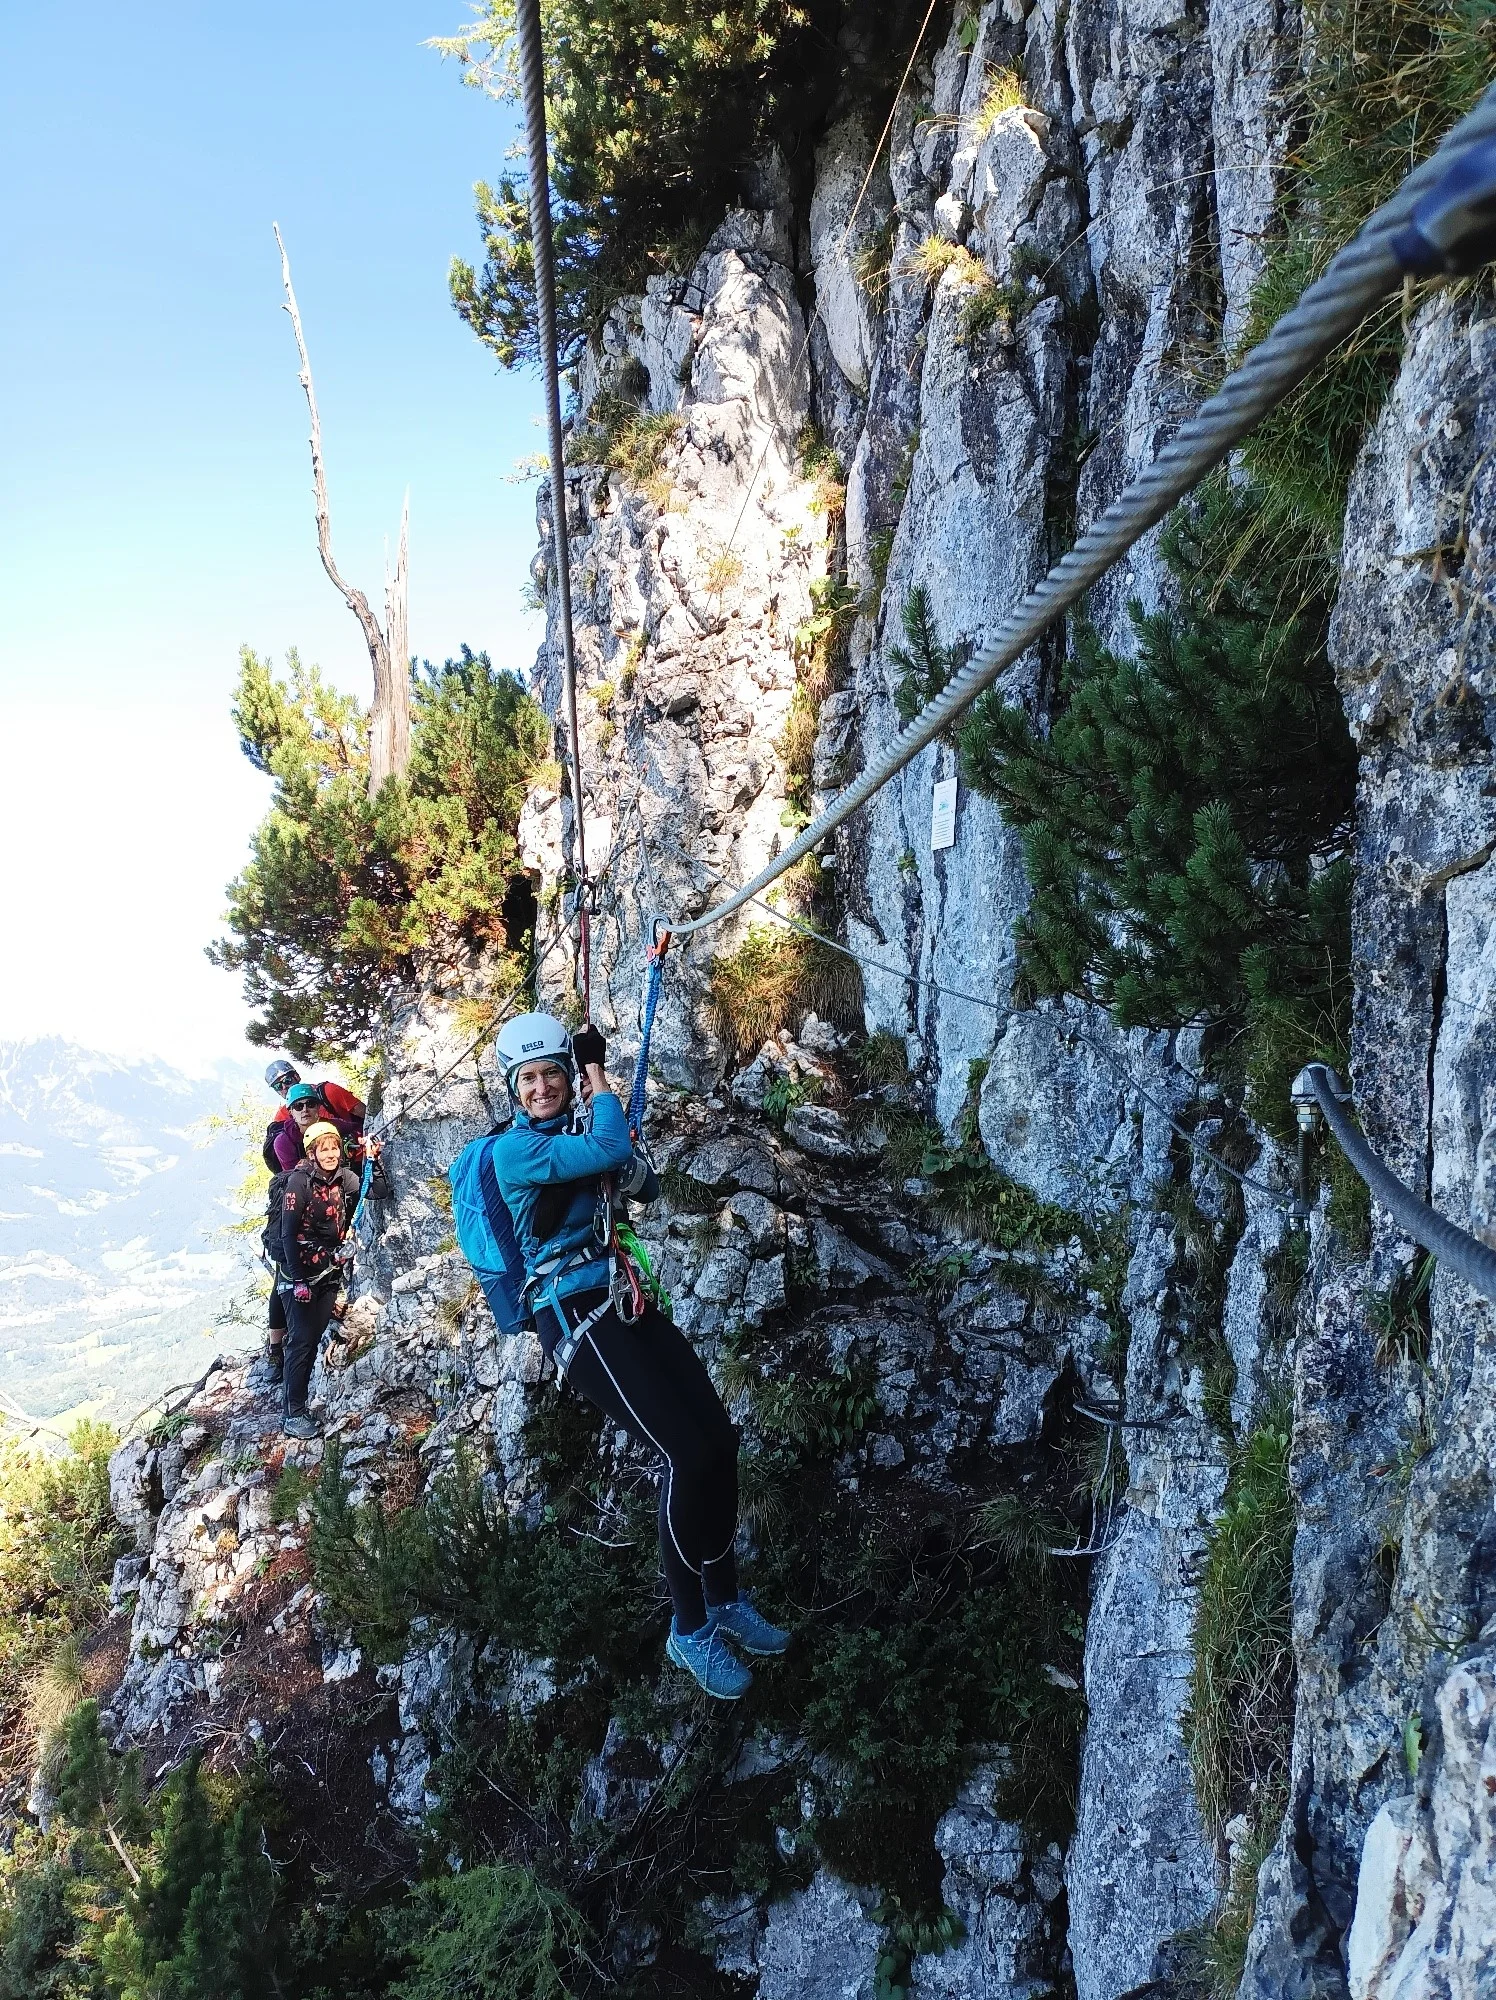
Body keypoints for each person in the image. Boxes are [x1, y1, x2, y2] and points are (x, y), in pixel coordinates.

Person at [488, 1011, 789, 1700]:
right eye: (528, 1079)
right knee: (683, 1454)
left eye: (552, 1075)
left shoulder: (580, 1133)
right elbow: (609, 1152)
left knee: (719, 1440)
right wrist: (599, 1078)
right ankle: (690, 1630)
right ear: (514, 1089)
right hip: (572, 1315)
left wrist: (618, 1146)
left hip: (622, 1297)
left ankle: (724, 1600)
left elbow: (644, 1183)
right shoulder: (515, 1153)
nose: (541, 1088)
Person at [257, 1062, 365, 1380]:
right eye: (281, 1087)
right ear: (288, 1108)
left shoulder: (327, 1101)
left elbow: (364, 1120)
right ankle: (276, 1351)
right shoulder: (283, 1134)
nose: (302, 1107)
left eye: (290, 1079)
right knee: (285, 1275)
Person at [279, 1120, 360, 1439]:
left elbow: (377, 1191)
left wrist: (374, 1159)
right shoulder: (298, 1183)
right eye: (323, 1148)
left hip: (328, 1272)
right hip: (300, 1274)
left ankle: (297, 1407)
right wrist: (298, 1280)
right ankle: (293, 1413)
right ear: (312, 1153)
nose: (330, 1153)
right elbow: (287, 1234)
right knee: (300, 1341)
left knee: (311, 1339)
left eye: (334, 1147)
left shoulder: (345, 1178)